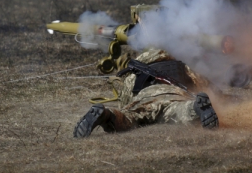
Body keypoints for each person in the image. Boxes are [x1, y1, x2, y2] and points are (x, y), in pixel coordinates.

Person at [73, 49, 219, 138]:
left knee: (127, 117)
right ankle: (196, 108)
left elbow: (127, 95)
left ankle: (106, 114)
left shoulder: (136, 69)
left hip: (144, 97)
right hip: (174, 94)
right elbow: (201, 83)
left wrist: (126, 107)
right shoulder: (182, 65)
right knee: (182, 111)